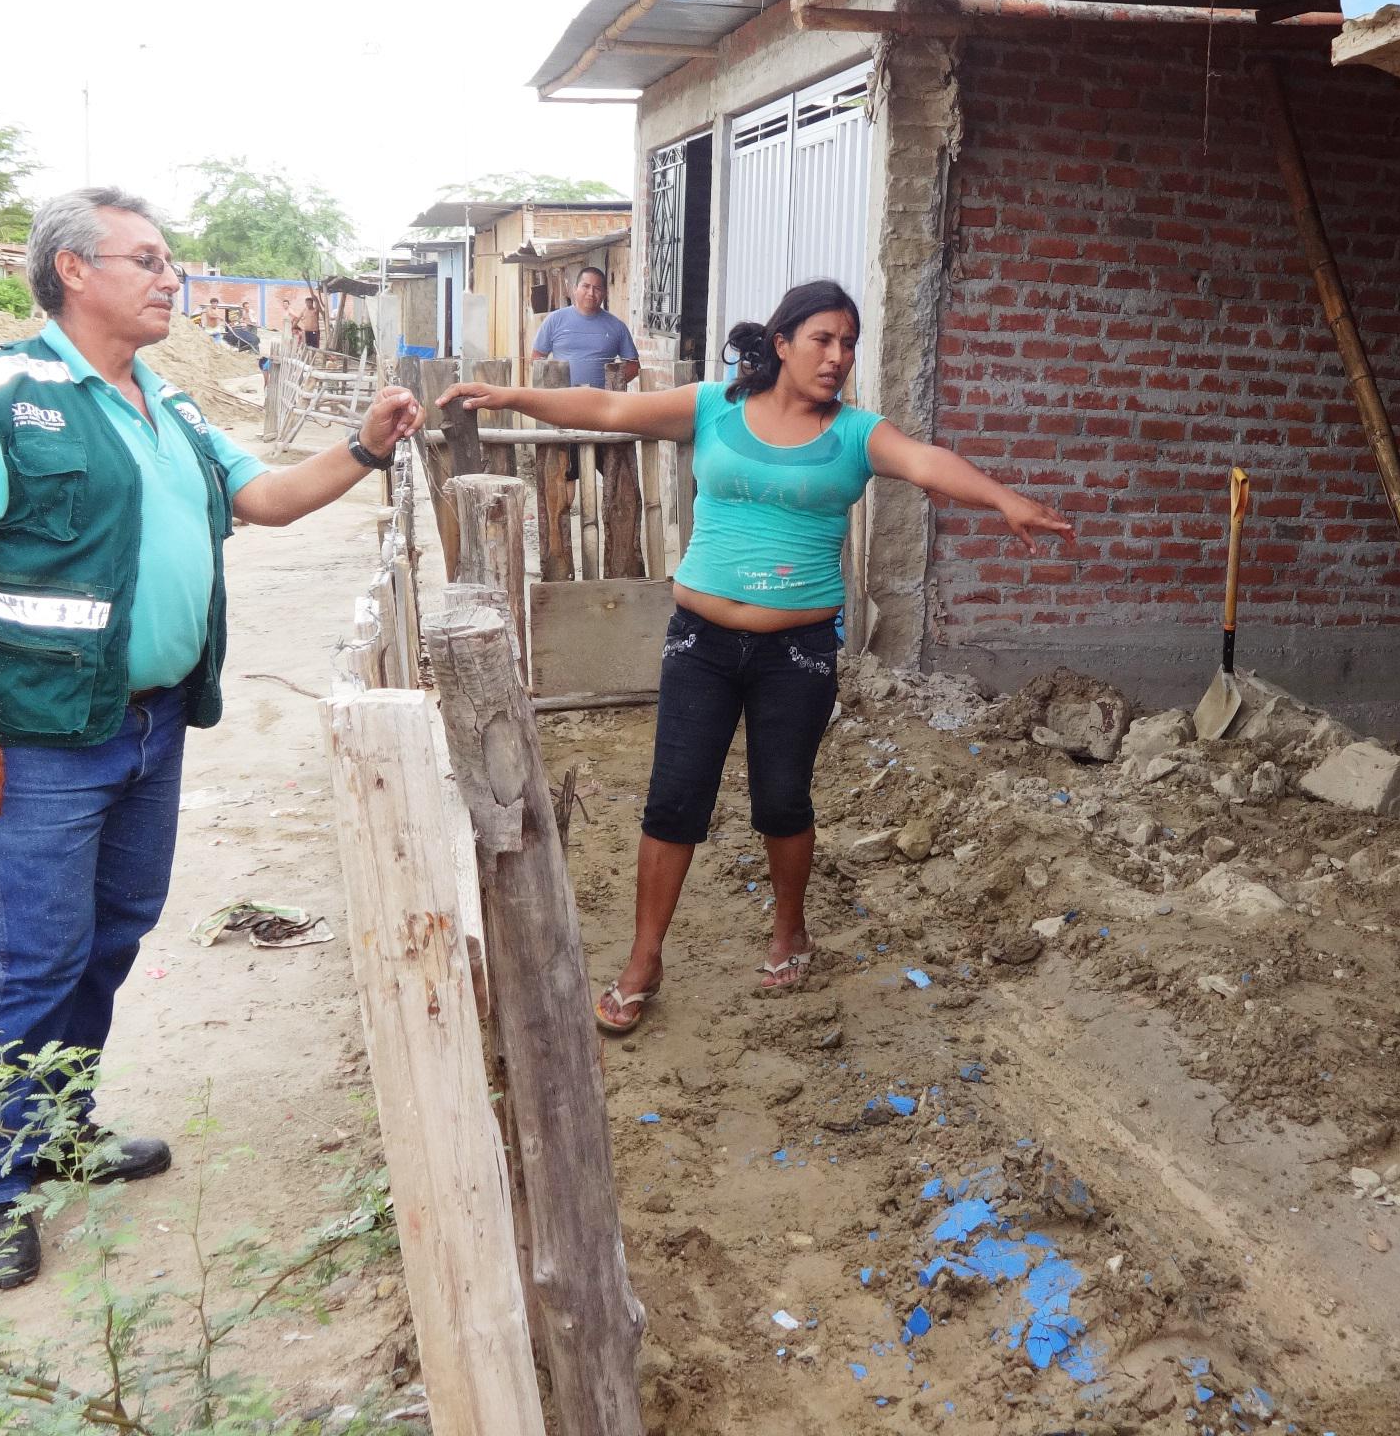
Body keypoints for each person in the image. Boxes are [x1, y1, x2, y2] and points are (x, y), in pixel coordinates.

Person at [0, 187, 422, 1289]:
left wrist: (363, 448)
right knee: (29, 955)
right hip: (40, 735)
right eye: (146, 259)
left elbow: (265, 498)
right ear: (73, 270)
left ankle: (58, 1128)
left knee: (111, 935)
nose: (170, 277)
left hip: (151, 723)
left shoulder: (166, 403)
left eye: (169, 260)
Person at [439, 279, 1072, 1034]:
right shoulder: (715, 407)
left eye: (848, 344)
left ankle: (789, 931)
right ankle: (645, 958)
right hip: (700, 642)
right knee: (675, 799)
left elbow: (929, 462)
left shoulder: (858, 434)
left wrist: (1004, 500)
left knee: (782, 800)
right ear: (782, 343)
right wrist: (507, 395)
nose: (837, 357)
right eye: (822, 340)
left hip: (797, 651)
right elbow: (606, 409)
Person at [532, 265, 637, 390]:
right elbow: (537, 358)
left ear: (604, 293)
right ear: (575, 289)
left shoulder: (617, 326)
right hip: (561, 398)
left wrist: (612, 385)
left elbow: (633, 366)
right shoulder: (554, 320)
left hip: (601, 399)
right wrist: (553, 386)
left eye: (597, 288)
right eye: (586, 286)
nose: (591, 293)